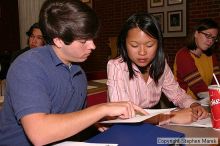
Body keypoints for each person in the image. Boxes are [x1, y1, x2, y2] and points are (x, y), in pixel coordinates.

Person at [0, 0, 147, 146]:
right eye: (84, 41)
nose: (93, 46)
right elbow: (39, 134)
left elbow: (72, 117)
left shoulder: (78, 72)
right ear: (58, 40)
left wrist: (94, 120)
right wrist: (101, 109)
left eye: (92, 38)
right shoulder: (28, 66)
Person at [107, 12, 208, 125]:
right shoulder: (116, 66)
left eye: (149, 45)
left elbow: (177, 94)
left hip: (152, 126)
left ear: (158, 44)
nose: (142, 52)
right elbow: (123, 114)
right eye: (134, 45)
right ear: (124, 44)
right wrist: (168, 117)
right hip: (126, 130)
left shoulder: (160, 63)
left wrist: (194, 105)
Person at [174, 18, 220, 99]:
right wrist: (216, 97)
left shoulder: (211, 55)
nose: (210, 41)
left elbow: (216, 81)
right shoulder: (183, 55)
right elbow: (199, 89)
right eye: (208, 35)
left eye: (213, 38)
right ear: (196, 33)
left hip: (206, 101)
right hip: (185, 104)